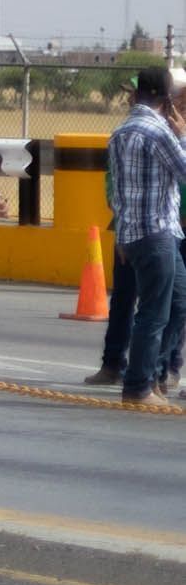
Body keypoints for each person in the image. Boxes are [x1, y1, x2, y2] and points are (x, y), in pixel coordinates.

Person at [100, 67, 186, 405]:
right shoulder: (159, 132)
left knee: (178, 301)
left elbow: (119, 192)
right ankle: (139, 387)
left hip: (134, 233)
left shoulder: (121, 131)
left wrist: (122, 235)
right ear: (166, 97)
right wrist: (181, 135)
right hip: (157, 233)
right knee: (154, 312)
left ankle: (153, 374)